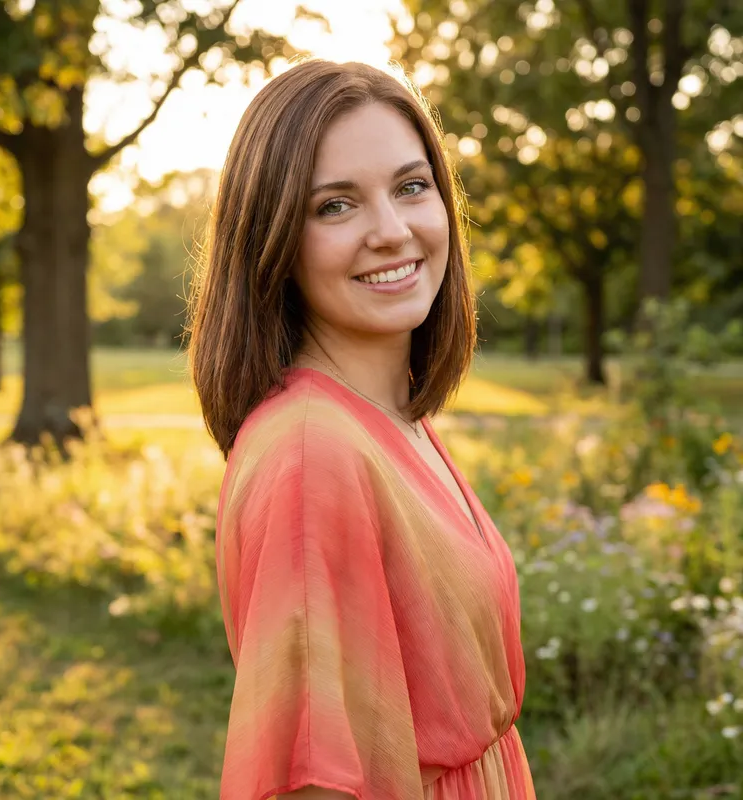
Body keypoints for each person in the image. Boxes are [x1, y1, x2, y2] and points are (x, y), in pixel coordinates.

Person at [187, 58, 536, 800]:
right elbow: (313, 775)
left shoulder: (391, 420)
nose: (392, 231)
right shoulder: (313, 455)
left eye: (411, 187)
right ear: (272, 239)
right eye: (336, 206)